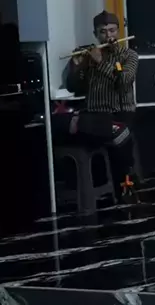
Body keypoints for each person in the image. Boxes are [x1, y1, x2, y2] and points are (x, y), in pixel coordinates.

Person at [59, 11, 139, 199]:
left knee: (120, 135)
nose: (108, 36)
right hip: (94, 115)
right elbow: (74, 87)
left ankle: (125, 185)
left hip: (120, 113)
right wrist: (78, 67)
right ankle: (106, 188)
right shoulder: (90, 56)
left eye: (112, 31)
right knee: (74, 125)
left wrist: (101, 62)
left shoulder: (129, 55)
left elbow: (123, 82)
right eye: (103, 32)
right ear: (96, 34)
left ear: (118, 31)